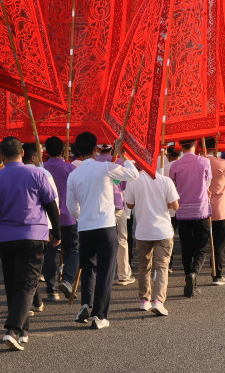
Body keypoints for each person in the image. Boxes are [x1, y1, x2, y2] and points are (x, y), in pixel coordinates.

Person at [0, 137, 60, 350]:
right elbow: (51, 204)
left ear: (1, 156)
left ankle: (23, 330)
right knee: (28, 284)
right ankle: (14, 330)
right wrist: (57, 231)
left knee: (12, 283)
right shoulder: (37, 174)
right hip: (34, 234)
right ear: (23, 153)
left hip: (6, 236)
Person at [66, 132, 140, 329]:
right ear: (95, 149)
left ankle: (85, 304)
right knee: (106, 271)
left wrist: (83, 216)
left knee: (88, 268)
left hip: (85, 227)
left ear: (78, 151)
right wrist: (121, 153)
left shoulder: (74, 175)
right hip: (105, 225)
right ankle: (99, 315)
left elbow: (72, 207)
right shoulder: (105, 167)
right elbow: (134, 174)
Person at [123, 167, 179, 315]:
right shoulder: (166, 181)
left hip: (143, 230)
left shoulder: (133, 181)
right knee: (162, 267)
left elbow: (129, 204)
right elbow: (175, 206)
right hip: (163, 230)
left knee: (144, 267)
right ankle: (158, 301)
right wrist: (162, 204)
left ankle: (144, 300)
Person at [169, 139, 214, 298]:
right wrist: (204, 190)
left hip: (183, 211)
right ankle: (194, 273)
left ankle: (189, 274)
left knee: (186, 247)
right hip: (201, 210)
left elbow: (172, 186)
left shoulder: (175, 165)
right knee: (201, 247)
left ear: (180, 146)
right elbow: (208, 182)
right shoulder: (204, 161)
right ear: (195, 145)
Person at [40, 136, 79, 300]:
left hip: (48, 219)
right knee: (73, 250)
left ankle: (51, 290)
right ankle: (68, 280)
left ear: (46, 150)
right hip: (69, 216)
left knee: (49, 253)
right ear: (63, 150)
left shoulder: (41, 169)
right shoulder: (70, 168)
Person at [205, 138, 225, 286]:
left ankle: (192, 273)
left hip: (198, 209)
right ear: (216, 147)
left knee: (197, 246)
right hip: (219, 210)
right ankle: (217, 274)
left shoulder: (197, 163)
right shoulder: (222, 163)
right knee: (218, 244)